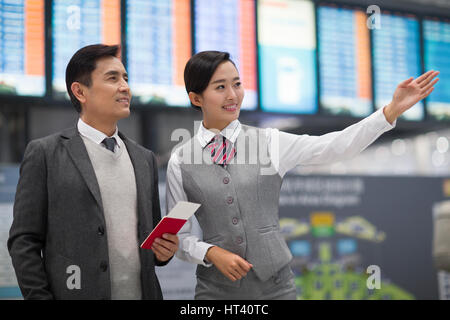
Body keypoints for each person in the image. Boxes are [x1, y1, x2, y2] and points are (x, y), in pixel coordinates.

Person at [166, 50, 439, 300]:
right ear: (195, 97)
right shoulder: (181, 161)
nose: (232, 95)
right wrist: (210, 252)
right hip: (216, 292)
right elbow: (176, 235)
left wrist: (390, 111)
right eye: (220, 87)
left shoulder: (270, 142)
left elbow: (336, 146)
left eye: (237, 84)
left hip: (277, 288)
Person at [8, 44, 179, 300]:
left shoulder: (144, 159)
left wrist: (163, 252)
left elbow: (149, 245)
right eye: (112, 78)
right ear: (80, 91)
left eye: (125, 78)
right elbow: (24, 242)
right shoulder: (45, 153)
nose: (125, 87)